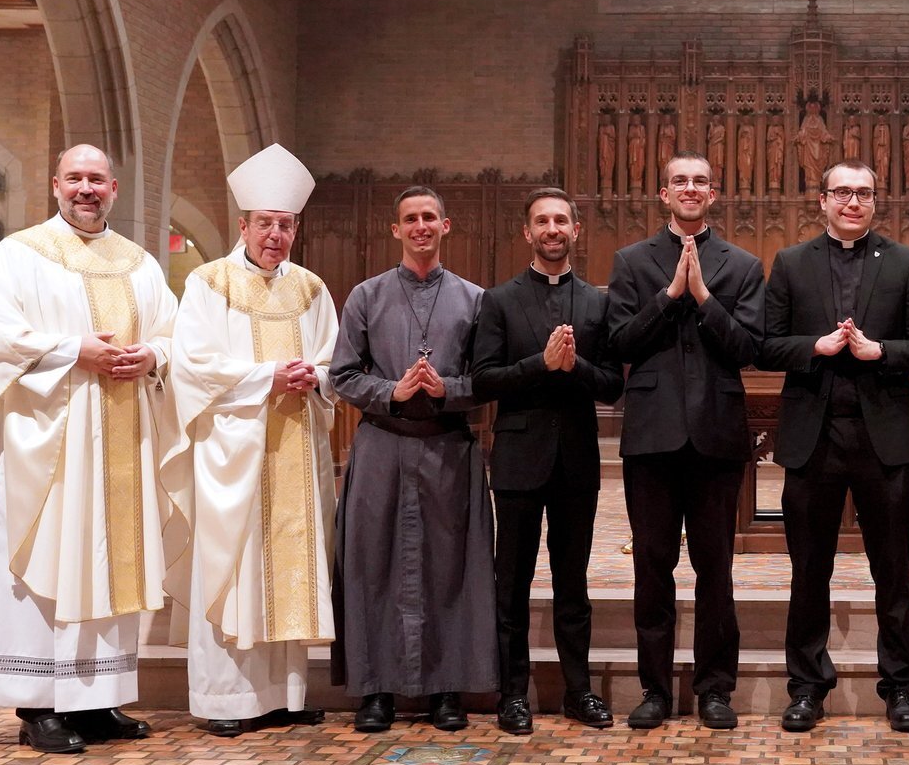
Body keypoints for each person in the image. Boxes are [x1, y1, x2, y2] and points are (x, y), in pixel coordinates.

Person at [0, 145, 179, 754]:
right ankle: (38, 706)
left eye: (96, 180)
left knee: (107, 561)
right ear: (55, 184)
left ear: (114, 189)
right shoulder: (19, 255)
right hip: (44, 446)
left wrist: (151, 356)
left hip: (121, 439)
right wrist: (75, 351)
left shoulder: (141, 264)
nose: (85, 189)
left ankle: (97, 700)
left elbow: (175, 334)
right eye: (74, 178)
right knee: (44, 560)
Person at [759, 160, 909, 733]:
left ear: (875, 201)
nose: (852, 202)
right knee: (809, 570)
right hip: (814, 437)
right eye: (842, 192)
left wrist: (879, 351)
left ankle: (901, 687)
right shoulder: (790, 263)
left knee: (894, 569)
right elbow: (764, 345)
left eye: (863, 193)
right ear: (823, 200)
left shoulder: (904, 262)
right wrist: (814, 346)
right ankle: (807, 686)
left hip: (882, 436)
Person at [167, 143, 339, 737]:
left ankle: (286, 696)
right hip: (231, 453)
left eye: (285, 225)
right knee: (235, 566)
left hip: (295, 446)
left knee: (287, 566)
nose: (275, 235)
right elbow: (193, 365)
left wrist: (312, 377)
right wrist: (268, 377)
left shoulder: (313, 290)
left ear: (296, 228)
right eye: (264, 224)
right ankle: (225, 700)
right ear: (243, 225)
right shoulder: (208, 283)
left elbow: (332, 360)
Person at [606, 151, 766, 730]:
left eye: (701, 181)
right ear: (664, 194)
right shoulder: (631, 262)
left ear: (714, 193)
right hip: (651, 436)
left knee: (715, 567)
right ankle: (654, 689)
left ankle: (715, 689)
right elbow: (620, 342)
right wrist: (669, 294)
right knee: (652, 566)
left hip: (716, 434)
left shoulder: (743, 265)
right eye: (680, 181)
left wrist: (702, 297)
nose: (691, 189)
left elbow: (750, 348)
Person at [328, 186, 497, 733]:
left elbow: (488, 379)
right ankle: (375, 690)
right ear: (395, 230)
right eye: (410, 219)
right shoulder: (366, 296)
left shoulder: (475, 300)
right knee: (373, 564)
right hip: (381, 445)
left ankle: (447, 689)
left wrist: (446, 387)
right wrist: (392, 392)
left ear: (446, 227)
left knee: (450, 568)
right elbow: (343, 374)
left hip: (448, 446)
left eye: (430, 217)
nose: (421, 226)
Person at [472, 188, 624, 734]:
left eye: (561, 220)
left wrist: (575, 366)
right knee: (509, 582)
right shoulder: (500, 300)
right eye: (542, 221)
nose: (552, 229)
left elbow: (611, 386)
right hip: (517, 457)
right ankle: (511, 694)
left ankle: (577, 691)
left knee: (572, 582)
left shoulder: (598, 303)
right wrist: (541, 363)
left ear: (576, 230)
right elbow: (483, 379)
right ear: (527, 233)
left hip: (577, 460)